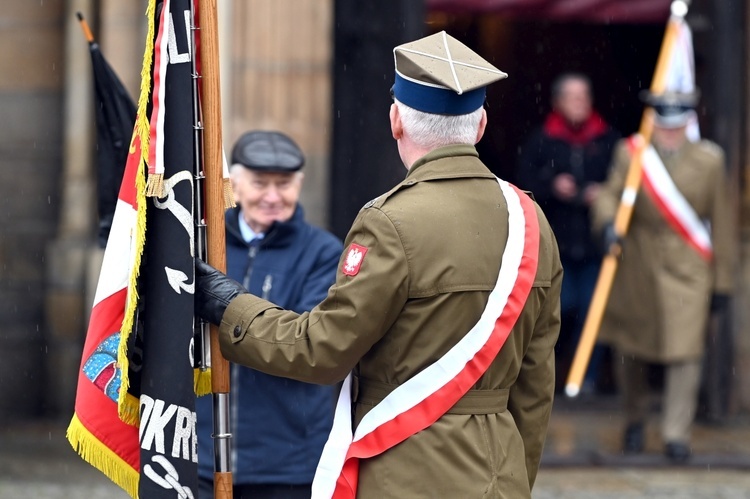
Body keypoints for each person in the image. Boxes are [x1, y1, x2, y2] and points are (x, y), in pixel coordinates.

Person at [195, 31, 562, 498]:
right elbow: (535, 382)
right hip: (499, 476)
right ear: (482, 124)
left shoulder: (389, 221)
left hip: (405, 472)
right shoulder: (530, 220)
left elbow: (321, 350)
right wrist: (513, 475)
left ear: (396, 121)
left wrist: (231, 308)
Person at [196, 130, 343, 498]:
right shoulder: (202, 245)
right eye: (261, 184)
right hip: (202, 450)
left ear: (300, 184)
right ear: (236, 185)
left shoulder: (323, 252)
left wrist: (228, 308)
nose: (273, 197)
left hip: (288, 458)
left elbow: (309, 340)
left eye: (284, 185)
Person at [592, 90, 734, 462]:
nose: (668, 134)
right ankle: (634, 420)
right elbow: (611, 194)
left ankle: (676, 435)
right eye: (662, 126)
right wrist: (607, 224)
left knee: (686, 353)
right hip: (638, 266)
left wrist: (723, 282)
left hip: (689, 270)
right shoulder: (632, 154)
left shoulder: (710, 159)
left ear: (687, 122)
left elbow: (722, 220)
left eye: (676, 127)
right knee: (631, 351)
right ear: (652, 122)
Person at [517, 73, 620, 394]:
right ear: (558, 102)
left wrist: (603, 193)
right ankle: (549, 378)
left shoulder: (608, 139)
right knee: (559, 311)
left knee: (594, 311)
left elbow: (624, 185)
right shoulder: (542, 140)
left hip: (594, 245)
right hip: (556, 244)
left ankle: (584, 379)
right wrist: (552, 186)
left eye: (584, 95)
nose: (580, 102)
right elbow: (522, 184)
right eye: (573, 96)